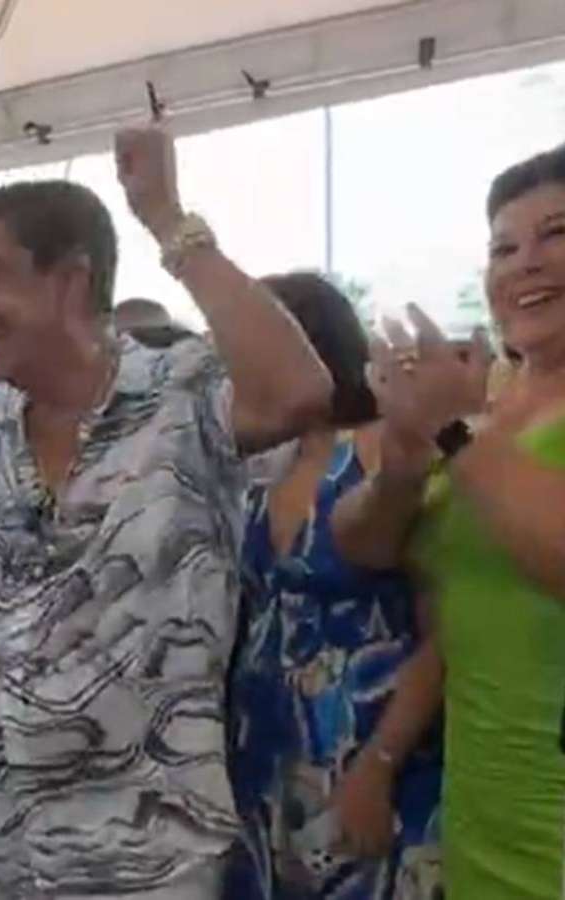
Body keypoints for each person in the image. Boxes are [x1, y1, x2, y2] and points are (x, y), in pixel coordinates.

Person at [0, 102, 330, 897]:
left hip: (154, 862)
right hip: (5, 855)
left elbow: (299, 391)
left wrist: (167, 219)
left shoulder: (181, 397)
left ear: (70, 281)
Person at [331, 144, 565, 898]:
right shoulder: (486, 402)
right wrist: (401, 468)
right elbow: (364, 547)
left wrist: (453, 431)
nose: (526, 263)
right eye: (504, 247)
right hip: (482, 809)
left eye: (557, 234)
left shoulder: (467, 422)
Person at [223, 272, 443, 900]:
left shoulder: (382, 452)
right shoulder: (258, 466)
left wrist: (379, 765)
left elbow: (443, 634)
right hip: (265, 761)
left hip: (368, 758)